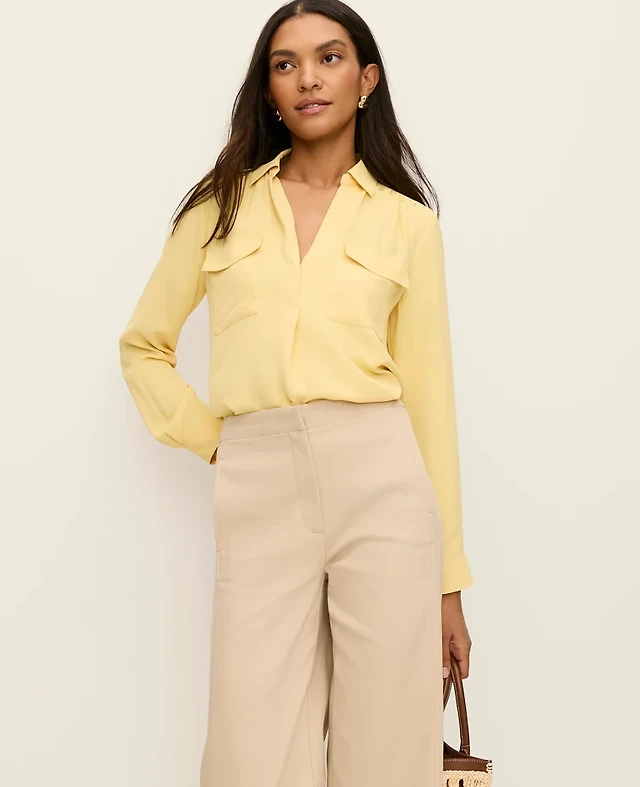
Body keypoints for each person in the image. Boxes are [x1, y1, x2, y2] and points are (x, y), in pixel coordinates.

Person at [118, 1, 474, 785]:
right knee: (249, 750)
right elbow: (143, 346)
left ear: (366, 80)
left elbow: (430, 402)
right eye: (286, 64)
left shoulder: (408, 224)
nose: (308, 77)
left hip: (383, 479)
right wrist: (218, 440)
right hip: (260, 482)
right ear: (270, 90)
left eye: (329, 58)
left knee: (388, 747)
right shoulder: (220, 210)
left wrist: (449, 582)